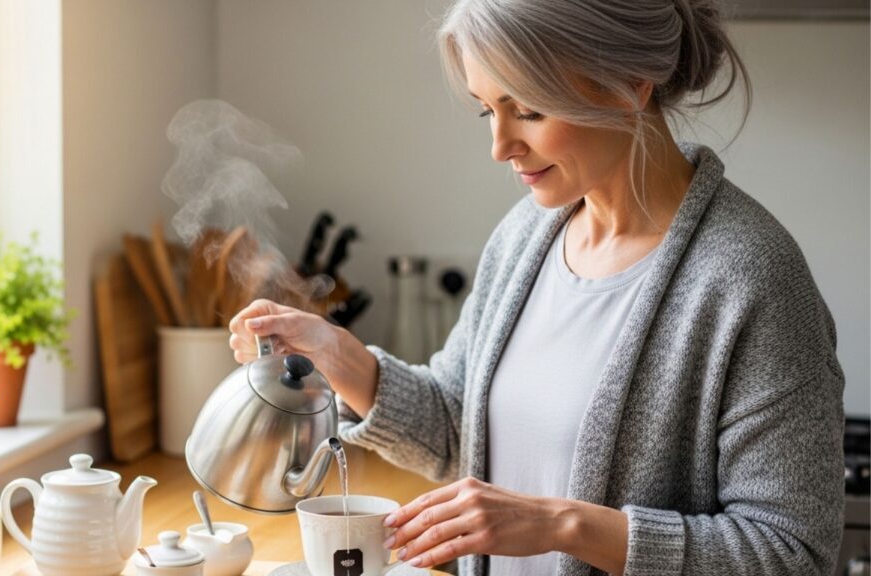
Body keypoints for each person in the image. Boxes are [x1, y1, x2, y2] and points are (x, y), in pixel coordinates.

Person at [229, 0, 846, 574]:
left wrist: (563, 525)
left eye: (528, 110)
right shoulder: (527, 235)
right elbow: (461, 430)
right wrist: (339, 356)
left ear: (630, 84)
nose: (500, 147)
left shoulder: (751, 277)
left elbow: (791, 553)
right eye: (487, 110)